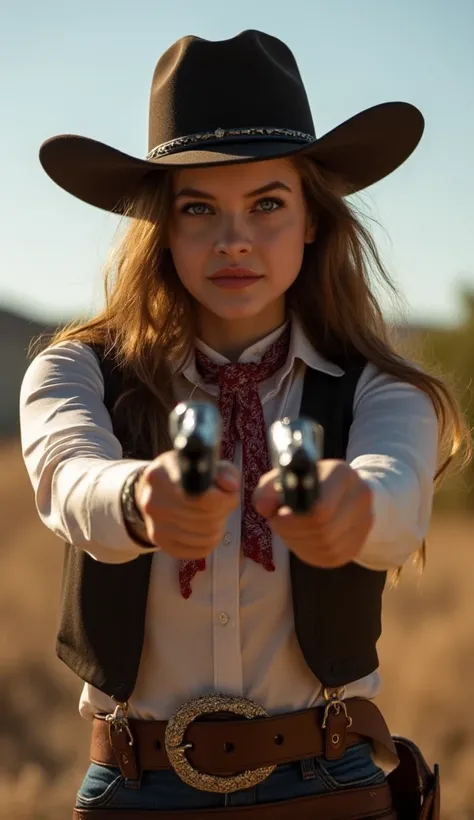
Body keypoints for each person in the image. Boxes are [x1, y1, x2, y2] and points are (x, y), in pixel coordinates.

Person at [19, 29, 467, 820]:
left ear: (313, 221)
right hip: (134, 788)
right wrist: (139, 501)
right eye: (200, 208)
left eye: (267, 204)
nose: (234, 240)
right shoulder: (74, 370)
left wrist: (351, 508)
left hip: (328, 782)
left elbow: (393, 493)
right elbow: (68, 477)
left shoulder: (380, 389)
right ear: (164, 224)